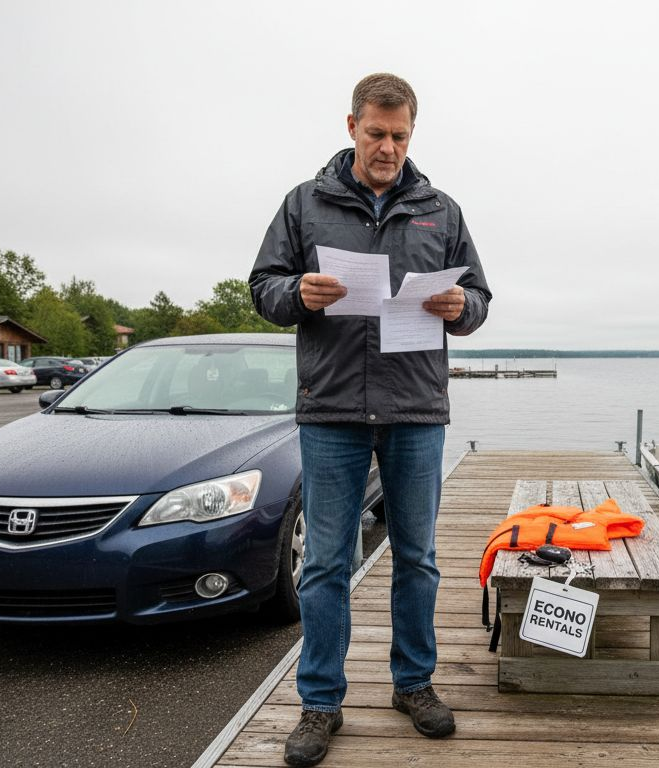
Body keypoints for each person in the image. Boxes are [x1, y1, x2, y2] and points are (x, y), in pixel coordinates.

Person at [249, 73, 491, 768]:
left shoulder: (440, 210)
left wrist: (461, 310)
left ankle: (412, 684)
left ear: (411, 132)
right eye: (377, 133)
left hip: (417, 408)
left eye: (400, 136)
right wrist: (297, 291)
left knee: (416, 557)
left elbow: (478, 294)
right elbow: (262, 288)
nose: (388, 147)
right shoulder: (304, 204)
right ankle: (321, 701)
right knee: (326, 561)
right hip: (331, 410)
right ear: (351, 125)